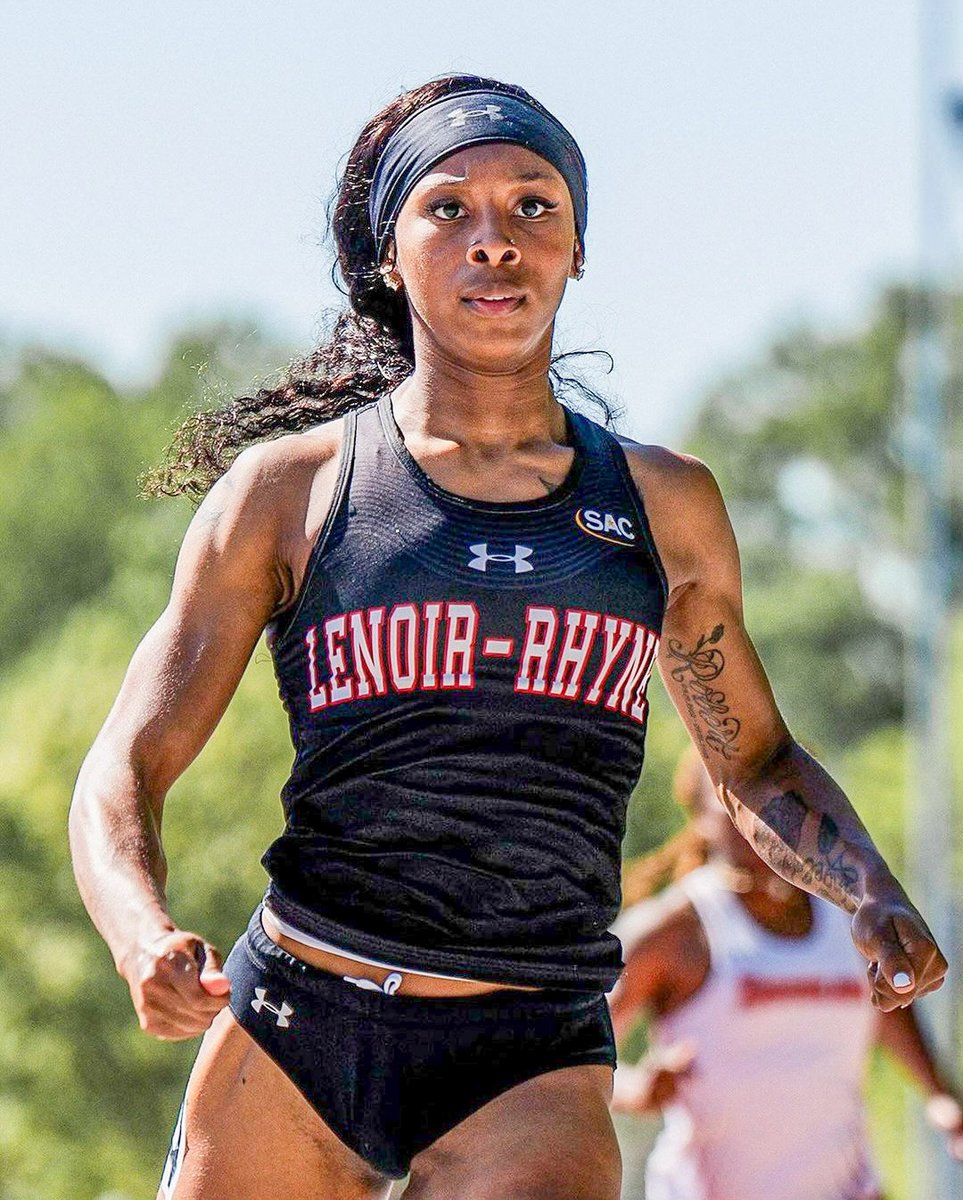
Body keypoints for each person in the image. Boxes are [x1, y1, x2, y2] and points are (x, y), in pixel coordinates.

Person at [68, 73, 946, 1200]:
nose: (496, 241)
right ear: (390, 252)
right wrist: (142, 936)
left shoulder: (660, 507)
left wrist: (869, 888)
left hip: (528, 1044)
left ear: (578, 251)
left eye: (536, 207)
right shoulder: (291, 495)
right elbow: (122, 768)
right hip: (301, 1018)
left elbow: (756, 762)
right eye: (450, 209)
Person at [609, 749, 963, 1200]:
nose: (761, 833)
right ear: (701, 820)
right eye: (737, 814)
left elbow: (883, 1010)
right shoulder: (674, 932)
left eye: (777, 814)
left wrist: (941, 1095)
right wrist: (637, 1087)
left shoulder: (850, 919)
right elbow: (573, 1052)